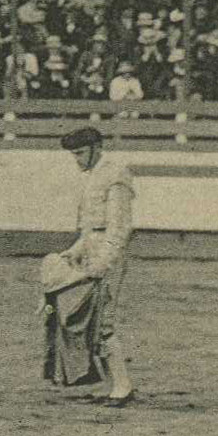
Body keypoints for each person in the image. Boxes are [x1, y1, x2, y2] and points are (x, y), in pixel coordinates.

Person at [39, 126, 137, 406]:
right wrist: (74, 252)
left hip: (108, 255)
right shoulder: (94, 175)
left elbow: (119, 228)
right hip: (92, 250)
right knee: (90, 323)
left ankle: (122, 387)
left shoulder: (116, 175)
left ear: (97, 147)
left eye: (80, 153)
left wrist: (104, 262)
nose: (78, 160)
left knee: (103, 322)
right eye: (74, 155)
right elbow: (89, 230)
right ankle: (113, 385)